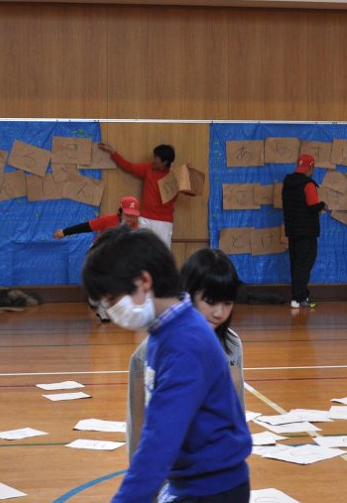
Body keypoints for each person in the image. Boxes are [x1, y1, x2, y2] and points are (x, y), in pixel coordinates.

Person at [82, 227, 251, 503]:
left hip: (211, 491)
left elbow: (160, 441)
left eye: (112, 300)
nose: (111, 312)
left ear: (143, 283)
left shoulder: (186, 344)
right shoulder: (165, 333)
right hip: (190, 484)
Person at [127, 247, 245, 461]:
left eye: (227, 303)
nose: (219, 313)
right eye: (210, 302)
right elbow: (138, 425)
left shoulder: (231, 345)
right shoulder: (149, 351)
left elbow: (236, 412)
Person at [54, 195, 142, 323]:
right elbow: (86, 226)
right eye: (128, 214)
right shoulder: (108, 220)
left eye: (133, 215)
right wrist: (64, 232)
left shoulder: (135, 228)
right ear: (120, 211)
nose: (130, 219)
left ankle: (102, 305)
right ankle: (97, 300)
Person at [96, 142, 178, 248]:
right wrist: (113, 152)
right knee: (141, 251)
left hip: (164, 222)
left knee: (163, 252)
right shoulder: (148, 168)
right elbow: (128, 166)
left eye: (156, 158)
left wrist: (188, 173)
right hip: (145, 219)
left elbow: (190, 191)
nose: (153, 160)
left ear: (164, 162)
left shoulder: (175, 175)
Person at [282, 154, 326, 309]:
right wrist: (323, 205)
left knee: (296, 264)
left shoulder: (287, 184)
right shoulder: (308, 185)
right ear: (311, 167)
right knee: (304, 264)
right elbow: (313, 205)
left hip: (292, 231)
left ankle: (297, 297)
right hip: (306, 232)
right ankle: (299, 297)